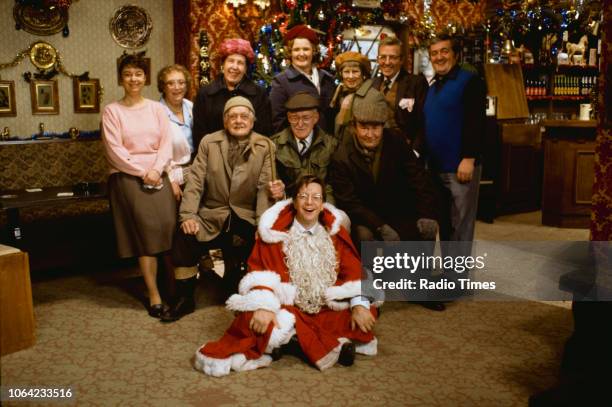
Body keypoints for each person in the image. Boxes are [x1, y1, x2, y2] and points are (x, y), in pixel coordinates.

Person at [195, 175, 380, 377]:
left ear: (322, 203)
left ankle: (292, 341)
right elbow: (259, 272)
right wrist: (265, 306)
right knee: (254, 317)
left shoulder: (335, 232)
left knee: (365, 308)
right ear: (294, 201)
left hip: (325, 306)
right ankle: (310, 343)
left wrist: (359, 304)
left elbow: (353, 270)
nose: (309, 202)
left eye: (316, 197)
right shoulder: (275, 233)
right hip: (290, 306)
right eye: (303, 196)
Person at [329, 90, 444, 311]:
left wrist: (427, 213)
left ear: (383, 127)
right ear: (354, 126)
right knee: (365, 235)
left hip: (398, 208)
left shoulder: (397, 141)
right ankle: (369, 296)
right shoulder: (341, 154)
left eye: (376, 128)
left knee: (427, 229)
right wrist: (380, 226)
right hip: (366, 214)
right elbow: (349, 201)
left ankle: (418, 290)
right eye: (364, 127)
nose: (370, 134)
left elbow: (418, 178)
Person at [163, 96, 275, 322]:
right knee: (184, 237)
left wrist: (262, 224)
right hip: (212, 213)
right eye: (232, 116)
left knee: (260, 243)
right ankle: (185, 298)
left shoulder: (265, 146)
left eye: (244, 116)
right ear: (225, 121)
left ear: (252, 121)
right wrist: (188, 216)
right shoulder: (209, 142)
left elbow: (265, 188)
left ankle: (246, 292)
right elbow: (195, 183)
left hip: (246, 214)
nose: (238, 120)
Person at [101, 54, 176, 318]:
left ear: (145, 78)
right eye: (128, 74)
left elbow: (167, 143)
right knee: (146, 234)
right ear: (121, 78)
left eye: (139, 74)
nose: (134, 78)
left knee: (167, 227)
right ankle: (153, 293)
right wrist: (143, 172)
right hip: (128, 176)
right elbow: (114, 151)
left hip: (158, 172)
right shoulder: (112, 111)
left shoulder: (157, 109)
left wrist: (157, 169)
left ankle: (173, 286)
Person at [421, 33, 485, 250]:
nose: (439, 57)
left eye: (444, 51)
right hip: (436, 169)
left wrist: (469, 157)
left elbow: (476, 122)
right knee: (446, 226)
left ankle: (458, 280)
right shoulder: (433, 86)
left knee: (461, 228)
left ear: (455, 55)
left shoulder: (470, 81)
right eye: (434, 53)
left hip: (460, 167)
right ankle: (450, 276)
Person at [192, 38, 271, 152]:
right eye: (231, 61)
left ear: (245, 68)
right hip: (214, 159)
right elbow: (199, 135)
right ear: (223, 65)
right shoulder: (205, 94)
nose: (235, 67)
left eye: (240, 63)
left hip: (250, 157)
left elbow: (264, 133)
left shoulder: (259, 94)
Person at [267, 92, 338, 204]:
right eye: (294, 118)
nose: (300, 124)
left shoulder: (331, 145)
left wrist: (324, 209)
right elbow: (274, 183)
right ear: (288, 118)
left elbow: (333, 185)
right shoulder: (274, 145)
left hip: (322, 205)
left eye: (305, 118)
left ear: (315, 118)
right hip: (288, 205)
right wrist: (280, 194)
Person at [270, 24, 336, 135]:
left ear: (313, 51)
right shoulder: (281, 82)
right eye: (296, 50)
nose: (301, 54)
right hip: (295, 148)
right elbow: (278, 122)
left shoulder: (327, 79)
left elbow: (332, 117)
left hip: (326, 147)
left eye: (306, 49)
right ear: (290, 52)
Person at [371, 36, 429, 148]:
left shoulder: (416, 83)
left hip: (405, 151)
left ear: (401, 60)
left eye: (392, 57)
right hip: (376, 150)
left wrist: (415, 151)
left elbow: (425, 121)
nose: (387, 62)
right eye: (383, 57)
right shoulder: (372, 84)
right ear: (378, 59)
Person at [330, 51, 394, 143]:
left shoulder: (375, 97)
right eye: (346, 72)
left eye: (355, 71)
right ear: (341, 74)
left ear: (363, 74)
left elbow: (383, 132)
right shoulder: (339, 93)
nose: (350, 76)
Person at [157, 64, 194, 201]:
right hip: (168, 177)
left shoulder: (191, 107)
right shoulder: (156, 112)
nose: (177, 87)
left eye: (181, 82)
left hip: (193, 174)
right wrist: (171, 181)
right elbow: (156, 151)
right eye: (170, 83)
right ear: (163, 87)